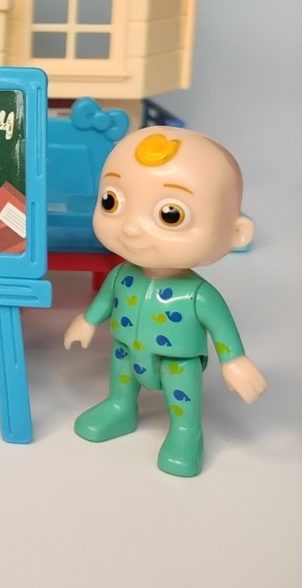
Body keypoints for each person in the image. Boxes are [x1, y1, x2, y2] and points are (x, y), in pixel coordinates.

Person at [62, 126, 266, 476]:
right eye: (111, 201)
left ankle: (186, 432)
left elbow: (222, 328)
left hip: (177, 361)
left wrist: (234, 360)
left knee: (181, 395)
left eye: (171, 215)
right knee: (121, 376)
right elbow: (106, 299)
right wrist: (88, 320)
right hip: (126, 349)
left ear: (236, 233)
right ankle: (120, 407)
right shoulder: (122, 275)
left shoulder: (198, 294)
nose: (131, 228)